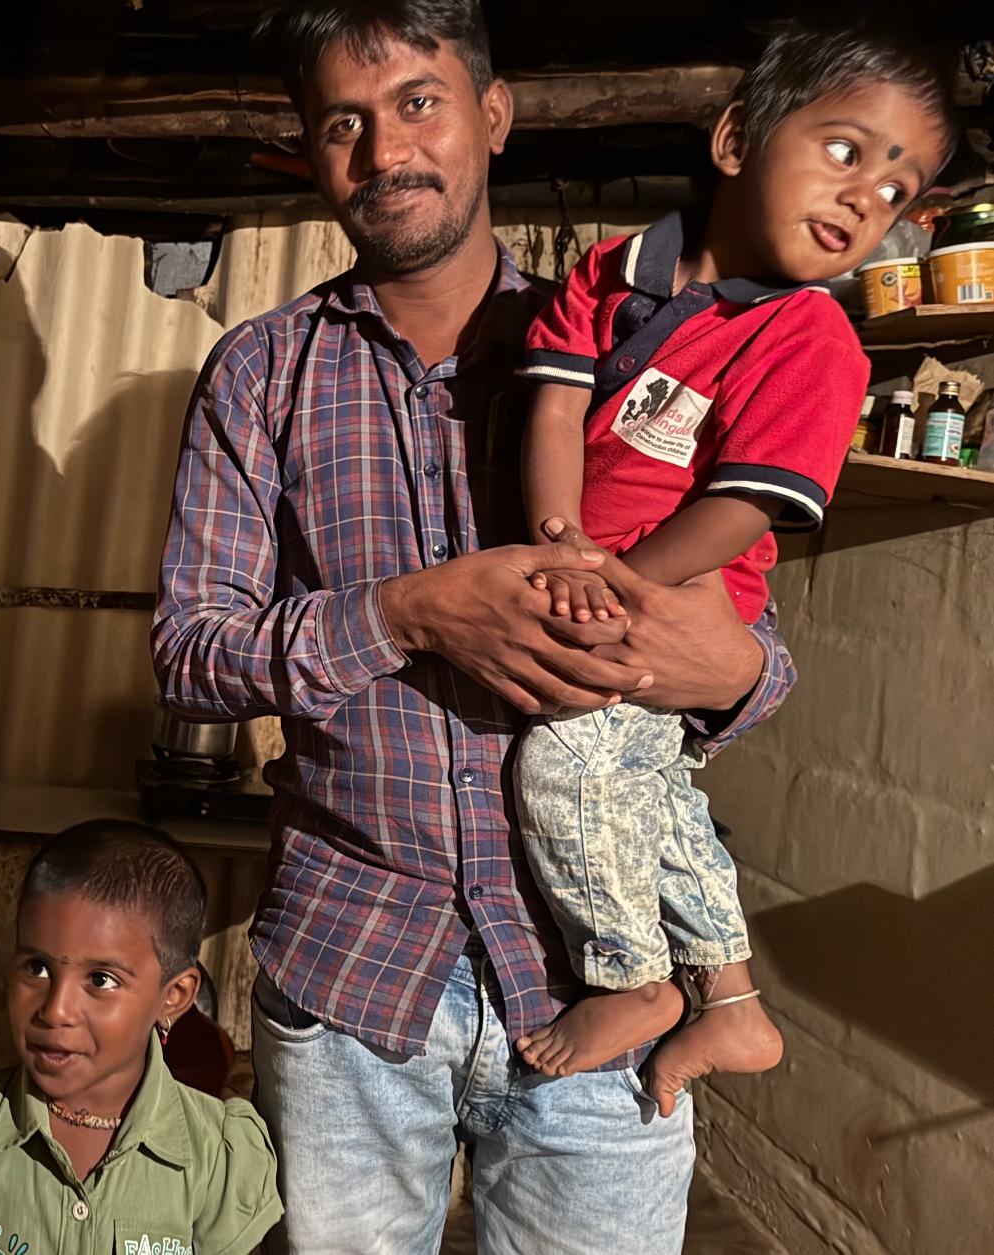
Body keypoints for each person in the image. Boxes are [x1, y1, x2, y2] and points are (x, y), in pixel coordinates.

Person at [152, 2, 799, 1251]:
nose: (382, 149)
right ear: (307, 148)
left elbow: (744, 641)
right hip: (348, 972)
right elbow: (188, 648)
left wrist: (735, 671)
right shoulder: (258, 372)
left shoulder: (624, 344)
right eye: (341, 120)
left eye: (415, 103)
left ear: (491, 116)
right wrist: (407, 612)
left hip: (600, 976)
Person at [512, 24, 955, 1103]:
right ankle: (735, 1003)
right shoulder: (612, 273)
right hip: (586, 573)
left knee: (560, 771)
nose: (865, 198)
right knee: (655, 807)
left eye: (895, 190)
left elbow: (746, 501)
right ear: (733, 138)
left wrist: (621, 581)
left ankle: (632, 979)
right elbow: (555, 403)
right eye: (846, 152)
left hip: (663, 607)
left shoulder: (813, 339)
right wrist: (559, 539)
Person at [0, 822, 282, 1255]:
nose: (55, 1010)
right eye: (37, 967)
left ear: (174, 996)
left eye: (100, 979)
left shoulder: (215, 1160)